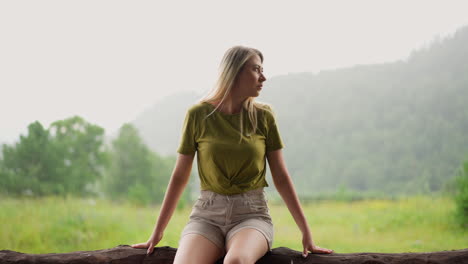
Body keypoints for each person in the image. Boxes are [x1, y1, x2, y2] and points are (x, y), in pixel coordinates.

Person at [131, 46, 333, 263]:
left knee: (236, 261)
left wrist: (306, 232)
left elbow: (281, 177)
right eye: (256, 69)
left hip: (252, 215)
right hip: (206, 216)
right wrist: (157, 232)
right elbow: (180, 176)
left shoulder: (264, 116)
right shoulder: (198, 115)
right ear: (234, 71)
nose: (263, 77)